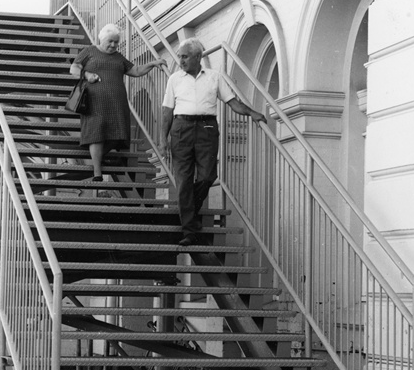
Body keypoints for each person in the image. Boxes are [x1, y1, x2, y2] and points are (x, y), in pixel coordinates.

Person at [158, 38, 267, 246]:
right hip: (181, 128)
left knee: (208, 176)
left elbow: (232, 101)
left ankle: (187, 209)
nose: (180, 60)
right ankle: (190, 230)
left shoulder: (214, 77)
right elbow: (167, 111)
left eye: (185, 56)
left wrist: (252, 113)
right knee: (183, 181)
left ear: (198, 57)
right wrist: (163, 140)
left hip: (207, 127)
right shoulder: (174, 79)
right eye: (180, 56)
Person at [70, 24, 166, 180]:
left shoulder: (118, 57)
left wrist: (152, 64)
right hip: (94, 102)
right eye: (110, 41)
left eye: (116, 42)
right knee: (97, 133)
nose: (113, 45)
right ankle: (97, 171)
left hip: (116, 102)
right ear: (102, 39)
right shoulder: (89, 52)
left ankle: (99, 159)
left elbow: (135, 71)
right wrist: (87, 74)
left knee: (116, 133)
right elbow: (73, 68)